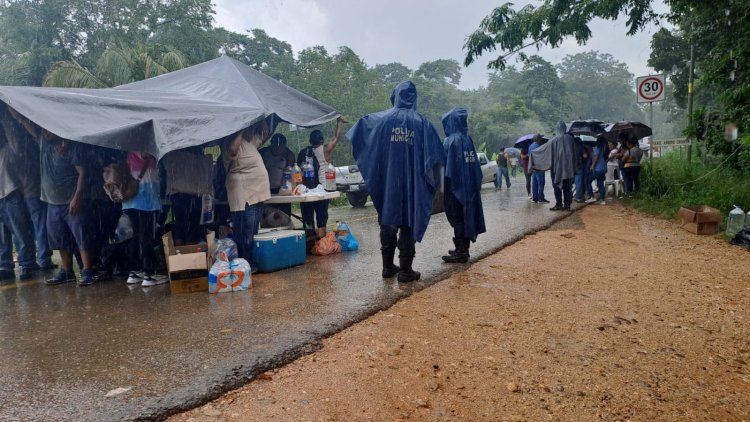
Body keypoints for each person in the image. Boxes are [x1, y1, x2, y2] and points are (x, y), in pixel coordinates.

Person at [346, 81, 446, 282]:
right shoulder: (423, 123)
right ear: (414, 97)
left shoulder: (380, 121)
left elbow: (361, 134)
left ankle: (387, 266)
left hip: (388, 181)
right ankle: (406, 270)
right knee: (408, 220)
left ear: (396, 96)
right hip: (413, 183)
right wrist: (437, 186)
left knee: (388, 220)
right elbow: (437, 157)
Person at [37, 132, 96, 286]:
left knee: (81, 236)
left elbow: (82, 173)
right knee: (59, 238)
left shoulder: (72, 145)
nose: (45, 133)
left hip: (70, 200)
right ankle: (67, 271)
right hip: (52, 202)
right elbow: (23, 120)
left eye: (47, 130)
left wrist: (77, 198)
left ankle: (87, 270)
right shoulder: (44, 142)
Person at [5, 107, 54, 270]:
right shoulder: (20, 148)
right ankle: (42, 259)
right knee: (37, 225)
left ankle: (31, 261)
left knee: (23, 230)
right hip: (29, 190)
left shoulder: (15, 150)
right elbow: (17, 132)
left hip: (18, 193)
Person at [223, 119, 272, 266]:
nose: (252, 130)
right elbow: (233, 150)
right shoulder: (230, 144)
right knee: (245, 232)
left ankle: (250, 262)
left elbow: (265, 133)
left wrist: (261, 118)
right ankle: (244, 262)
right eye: (249, 128)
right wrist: (241, 128)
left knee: (253, 231)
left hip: (256, 193)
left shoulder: (250, 143)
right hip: (244, 195)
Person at [440, 107, 486, 264]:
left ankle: (461, 252)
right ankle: (462, 248)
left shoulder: (450, 141)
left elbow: (443, 165)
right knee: (466, 216)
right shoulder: (468, 139)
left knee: (457, 216)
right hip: (469, 186)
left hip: (455, 186)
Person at [297, 117, 345, 239]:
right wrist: (339, 123)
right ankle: (321, 242)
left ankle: (309, 242)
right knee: (321, 216)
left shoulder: (304, 152)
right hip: (323, 189)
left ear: (310, 140)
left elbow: (298, 169)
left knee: (307, 217)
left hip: (307, 190)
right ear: (322, 140)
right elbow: (336, 138)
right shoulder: (326, 150)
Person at [0, 124, 37, 282]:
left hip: (12, 195)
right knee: (2, 237)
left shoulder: (9, 150)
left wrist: (6, 119)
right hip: (2, 198)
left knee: (21, 233)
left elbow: (13, 137)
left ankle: (27, 264)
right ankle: (5, 266)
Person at [122, 151, 164, 287]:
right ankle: (149, 273)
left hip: (130, 200)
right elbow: (144, 155)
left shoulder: (127, 151)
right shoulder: (144, 148)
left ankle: (134, 271)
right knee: (146, 237)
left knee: (135, 236)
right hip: (146, 201)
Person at [163, 147, 213, 245]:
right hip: (195, 190)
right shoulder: (196, 144)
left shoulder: (174, 145)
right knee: (193, 223)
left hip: (177, 189)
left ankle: (179, 254)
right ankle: (189, 253)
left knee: (180, 223)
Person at [260, 133, 296, 216]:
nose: (277, 148)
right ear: (271, 144)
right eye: (275, 146)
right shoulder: (264, 152)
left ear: (284, 145)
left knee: (285, 215)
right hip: (267, 189)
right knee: (268, 216)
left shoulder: (288, 154)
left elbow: (291, 172)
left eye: (280, 146)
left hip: (283, 190)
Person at [548, 121, 576, 211]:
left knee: (557, 186)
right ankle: (567, 205)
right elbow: (574, 153)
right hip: (568, 168)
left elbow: (549, 154)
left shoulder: (554, 140)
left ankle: (559, 204)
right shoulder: (570, 138)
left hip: (556, 168)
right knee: (567, 186)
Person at [528, 135, 548, 203]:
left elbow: (529, 156)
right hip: (539, 167)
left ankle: (535, 198)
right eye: (540, 138)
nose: (541, 140)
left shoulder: (530, 146)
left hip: (533, 168)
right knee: (541, 183)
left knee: (535, 184)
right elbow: (542, 156)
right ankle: (541, 198)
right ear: (538, 139)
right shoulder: (539, 147)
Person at [590, 136, 608, 205]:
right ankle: (602, 199)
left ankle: (591, 196)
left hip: (598, 169)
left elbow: (596, 158)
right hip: (603, 169)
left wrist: (592, 166)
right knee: (600, 184)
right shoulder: (605, 149)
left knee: (588, 180)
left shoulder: (598, 148)